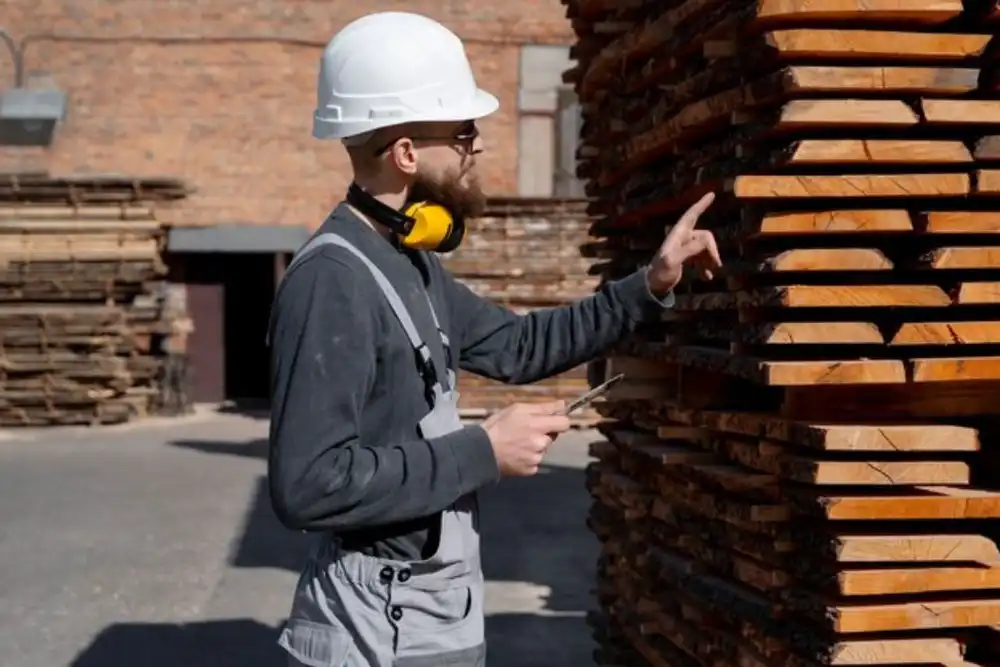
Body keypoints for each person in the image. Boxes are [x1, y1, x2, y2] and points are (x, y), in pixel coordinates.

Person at [266, 11, 722, 667]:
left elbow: (518, 346)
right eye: (463, 133)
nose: (476, 147)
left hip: (429, 613)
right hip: (377, 634)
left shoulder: (412, 261)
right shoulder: (331, 281)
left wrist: (650, 283)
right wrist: (483, 450)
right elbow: (308, 483)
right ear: (405, 153)